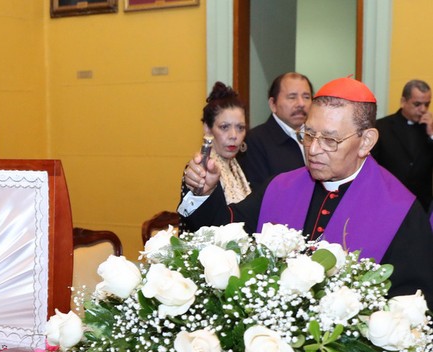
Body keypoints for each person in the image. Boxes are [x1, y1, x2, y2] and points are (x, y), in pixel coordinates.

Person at [178, 77, 433, 305]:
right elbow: (224, 233)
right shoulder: (280, 187)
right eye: (308, 135)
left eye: (330, 140)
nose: (313, 150)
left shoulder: (400, 211)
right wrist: (204, 193)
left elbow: (412, 304)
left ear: (366, 141)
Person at [238, 72, 313, 189]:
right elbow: (260, 191)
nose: (301, 103)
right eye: (292, 97)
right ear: (273, 104)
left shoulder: (317, 137)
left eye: (306, 97)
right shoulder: (255, 140)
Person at [371, 79, 433, 210]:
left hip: (421, 204)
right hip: (388, 201)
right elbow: (371, 166)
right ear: (403, 101)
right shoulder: (382, 127)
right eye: (417, 104)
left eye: (427, 104)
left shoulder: (430, 128)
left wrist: (432, 135)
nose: (423, 109)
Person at [186, 82, 251, 205]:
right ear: (208, 129)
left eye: (240, 128)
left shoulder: (240, 164)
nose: (233, 135)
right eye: (224, 127)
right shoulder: (199, 169)